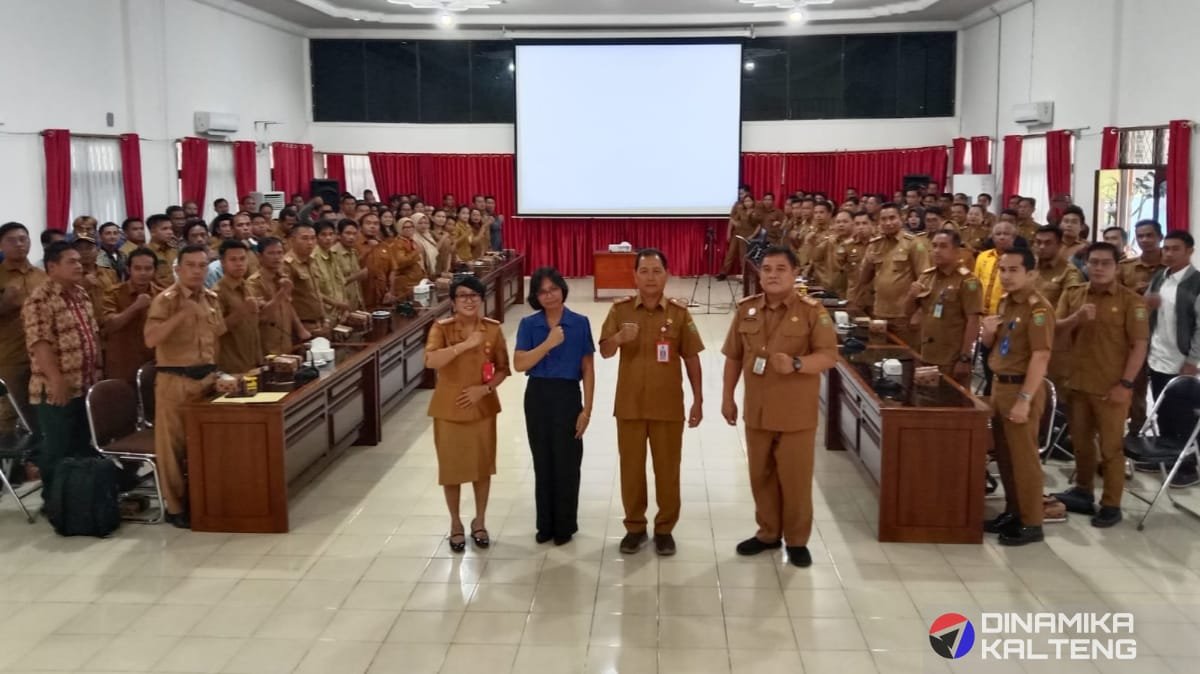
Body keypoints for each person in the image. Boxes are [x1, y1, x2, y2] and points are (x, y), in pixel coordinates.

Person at [721, 246, 837, 567]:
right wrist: (727, 396)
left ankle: (797, 540)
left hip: (795, 413)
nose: (772, 275)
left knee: (795, 480)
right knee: (761, 475)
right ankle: (768, 533)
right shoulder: (746, 310)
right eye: (767, 269)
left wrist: (798, 363)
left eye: (780, 269)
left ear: (795, 273)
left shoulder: (813, 312)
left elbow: (829, 356)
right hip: (757, 410)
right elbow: (733, 356)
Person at [599, 248, 704, 556]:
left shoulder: (679, 313)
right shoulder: (620, 311)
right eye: (644, 271)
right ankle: (634, 527)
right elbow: (604, 351)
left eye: (656, 271)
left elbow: (692, 358)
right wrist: (618, 338)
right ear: (634, 276)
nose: (650, 277)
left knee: (668, 470)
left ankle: (664, 529)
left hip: (668, 406)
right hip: (630, 405)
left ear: (667, 275)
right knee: (631, 470)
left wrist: (698, 400)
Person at [1051, 242, 1149, 527]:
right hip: (1078, 383)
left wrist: (1126, 384)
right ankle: (1083, 490)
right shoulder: (1074, 295)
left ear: (1117, 267)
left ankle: (1111, 503)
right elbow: (1055, 332)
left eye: (1105, 263)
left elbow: (1139, 346)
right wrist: (1076, 318)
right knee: (1081, 444)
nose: (1098, 268)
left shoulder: (1132, 302)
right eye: (1093, 262)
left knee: (1110, 449)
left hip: (1111, 387)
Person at [146, 244, 235, 528]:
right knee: (173, 449)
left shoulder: (211, 298)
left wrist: (219, 373)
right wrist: (182, 315)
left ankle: (201, 497)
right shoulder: (165, 300)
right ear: (178, 269)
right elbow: (151, 339)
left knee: (204, 443)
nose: (197, 271)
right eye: (191, 266)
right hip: (176, 382)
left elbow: (217, 336)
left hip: (207, 380)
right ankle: (175, 507)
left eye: (202, 266)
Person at [425, 276, 511, 552]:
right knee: (451, 470)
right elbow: (431, 361)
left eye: (474, 295)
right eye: (463, 296)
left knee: (482, 468)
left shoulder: (493, 330)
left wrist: (484, 390)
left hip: (482, 407)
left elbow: (502, 369)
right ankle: (455, 524)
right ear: (453, 302)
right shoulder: (442, 328)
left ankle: (480, 521)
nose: (470, 300)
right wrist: (464, 345)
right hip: (450, 408)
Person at [514, 268, 596, 545]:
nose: (549, 296)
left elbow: (587, 367)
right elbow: (520, 364)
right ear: (536, 296)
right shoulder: (529, 324)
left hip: (567, 395)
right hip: (537, 394)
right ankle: (545, 524)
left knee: (568, 462)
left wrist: (587, 409)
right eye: (542, 291)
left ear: (562, 290)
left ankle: (565, 525)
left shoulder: (580, 322)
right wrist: (548, 344)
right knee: (543, 461)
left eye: (553, 289)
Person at [981, 247, 1054, 546]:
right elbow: (995, 344)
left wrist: (1025, 399)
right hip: (1000, 385)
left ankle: (1032, 521)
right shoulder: (1006, 302)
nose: (1006, 276)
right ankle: (1014, 511)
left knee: (1024, 460)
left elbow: (1041, 355)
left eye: (1014, 270)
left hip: (1022, 389)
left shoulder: (1039, 309)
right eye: (1002, 269)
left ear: (1031, 273)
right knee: (1005, 457)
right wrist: (986, 332)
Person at [21, 241, 100, 493]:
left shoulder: (81, 293)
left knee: (80, 443)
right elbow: (40, 344)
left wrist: (97, 370)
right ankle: (54, 500)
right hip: (56, 387)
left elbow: (91, 335)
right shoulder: (40, 299)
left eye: (79, 260)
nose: (79, 265)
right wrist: (57, 381)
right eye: (72, 261)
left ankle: (77, 498)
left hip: (84, 383)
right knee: (58, 447)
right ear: (52, 267)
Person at [1142, 231, 1200, 487]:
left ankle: (1188, 466)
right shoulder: (1159, 276)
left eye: (1175, 249)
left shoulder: (1196, 283)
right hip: (1156, 354)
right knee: (1162, 408)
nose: (1168, 253)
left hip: (1181, 358)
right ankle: (1165, 456)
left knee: (1183, 413)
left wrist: (1192, 360)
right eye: (1166, 248)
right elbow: (1146, 307)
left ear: (1189, 251)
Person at [907, 230, 983, 384]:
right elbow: (910, 313)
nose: (936, 251)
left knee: (952, 404)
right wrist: (911, 296)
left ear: (956, 251)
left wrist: (965, 357)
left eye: (943, 246)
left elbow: (973, 321)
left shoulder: (968, 281)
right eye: (934, 246)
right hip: (924, 353)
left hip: (950, 358)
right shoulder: (926, 276)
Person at [859, 203, 930, 346]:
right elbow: (863, 279)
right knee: (880, 356)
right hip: (879, 313)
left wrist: (919, 313)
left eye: (892, 218)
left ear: (901, 218)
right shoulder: (875, 244)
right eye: (883, 219)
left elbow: (925, 280)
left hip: (904, 316)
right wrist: (869, 262)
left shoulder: (914, 243)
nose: (888, 223)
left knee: (906, 358)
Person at [0, 223, 48, 434]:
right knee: (10, 411)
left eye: (23, 239)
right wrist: (4, 304)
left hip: (42, 355)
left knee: (42, 410)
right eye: (12, 240)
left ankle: (38, 462)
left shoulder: (42, 276)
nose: (19, 244)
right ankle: (9, 465)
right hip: (10, 355)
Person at [1119, 219, 1166, 432]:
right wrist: (1134, 294)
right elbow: (1114, 298)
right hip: (1133, 336)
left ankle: (1167, 436)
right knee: (1135, 386)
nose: (1145, 240)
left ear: (1160, 237)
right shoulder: (1126, 268)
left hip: (1165, 337)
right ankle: (1136, 432)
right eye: (1140, 236)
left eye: (1150, 235)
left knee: (1164, 390)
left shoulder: (1172, 268)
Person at [1031, 226, 1084, 398]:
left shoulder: (1070, 273)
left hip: (1054, 343)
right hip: (1025, 339)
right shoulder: (1029, 268)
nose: (1041, 247)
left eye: (1047, 243)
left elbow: (1071, 311)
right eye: (1038, 242)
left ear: (1060, 245)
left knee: (1054, 397)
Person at [100, 248, 162, 386]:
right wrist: (135, 307)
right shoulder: (113, 293)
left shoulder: (162, 296)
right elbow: (110, 326)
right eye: (137, 268)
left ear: (155, 271)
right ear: (128, 269)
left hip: (154, 366)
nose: (143, 273)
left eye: (148, 268)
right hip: (122, 367)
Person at [248, 237, 309, 356]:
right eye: (271, 253)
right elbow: (262, 316)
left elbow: (288, 305)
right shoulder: (254, 283)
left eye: (279, 253)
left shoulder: (283, 277)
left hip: (286, 343)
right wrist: (282, 292)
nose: (277, 257)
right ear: (260, 257)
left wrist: (300, 328)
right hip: (267, 347)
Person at [215, 240, 264, 374]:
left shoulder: (247, 286)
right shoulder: (218, 292)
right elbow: (217, 329)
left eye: (242, 259)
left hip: (254, 360)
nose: (239, 264)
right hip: (233, 366)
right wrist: (243, 310)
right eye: (233, 260)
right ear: (223, 263)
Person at [282, 223, 328, 336]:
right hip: (302, 325)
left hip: (319, 322)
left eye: (313, 238)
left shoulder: (312, 261)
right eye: (305, 238)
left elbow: (316, 293)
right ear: (292, 240)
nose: (310, 243)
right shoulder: (287, 264)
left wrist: (325, 319)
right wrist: (300, 328)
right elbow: (286, 301)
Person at [356, 213, 396, 308]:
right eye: (368, 223)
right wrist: (369, 249)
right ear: (361, 227)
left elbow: (393, 270)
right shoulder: (354, 245)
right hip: (362, 297)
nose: (372, 226)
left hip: (382, 297)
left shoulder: (384, 245)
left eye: (376, 223)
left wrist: (391, 291)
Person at [312, 222, 350, 321]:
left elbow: (341, 283)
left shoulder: (333, 254)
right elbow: (314, 291)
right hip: (324, 313)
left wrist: (344, 304)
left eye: (331, 234)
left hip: (340, 311)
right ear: (316, 237)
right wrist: (336, 303)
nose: (328, 238)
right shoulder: (312, 258)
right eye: (323, 235)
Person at [718, 194, 759, 280]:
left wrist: (753, 235)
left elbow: (759, 226)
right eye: (745, 201)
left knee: (743, 256)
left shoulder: (756, 212)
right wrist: (729, 231)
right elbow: (732, 220)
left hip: (747, 236)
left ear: (752, 202)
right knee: (730, 253)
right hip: (737, 234)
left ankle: (745, 275)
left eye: (749, 201)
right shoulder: (741, 210)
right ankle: (723, 273)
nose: (747, 203)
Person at [841, 212, 874, 309]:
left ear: (872, 225)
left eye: (864, 223)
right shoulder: (847, 246)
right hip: (855, 297)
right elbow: (839, 267)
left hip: (875, 297)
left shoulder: (879, 244)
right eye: (857, 224)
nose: (861, 227)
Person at [332, 219, 365, 312]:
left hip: (355, 303)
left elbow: (356, 285)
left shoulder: (353, 252)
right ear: (339, 235)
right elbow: (335, 284)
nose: (351, 237)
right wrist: (357, 276)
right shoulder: (333, 253)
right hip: (341, 306)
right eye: (348, 233)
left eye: (354, 234)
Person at [391, 217, 426, 302]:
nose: (409, 229)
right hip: (405, 283)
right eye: (405, 227)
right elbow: (401, 262)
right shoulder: (398, 243)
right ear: (399, 228)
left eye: (411, 227)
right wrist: (416, 252)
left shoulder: (411, 241)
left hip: (416, 280)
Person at [146, 214, 178, 286]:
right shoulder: (145, 253)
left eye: (171, 228)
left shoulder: (174, 251)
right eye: (165, 229)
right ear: (152, 232)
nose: (170, 232)